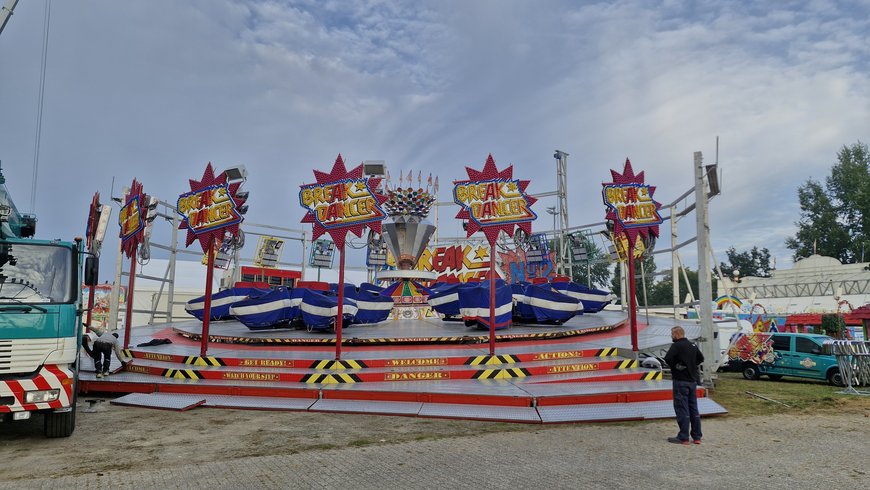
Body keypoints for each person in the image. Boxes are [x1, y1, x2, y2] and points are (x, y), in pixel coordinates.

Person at [663, 326, 704, 445]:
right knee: (693, 408)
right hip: (692, 381)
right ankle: (697, 437)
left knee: (682, 407)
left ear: (676, 334)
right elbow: (701, 358)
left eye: (672, 334)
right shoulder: (693, 345)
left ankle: (683, 437)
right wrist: (691, 366)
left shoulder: (676, 345)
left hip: (680, 380)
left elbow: (668, 358)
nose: (671, 336)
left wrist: (676, 366)